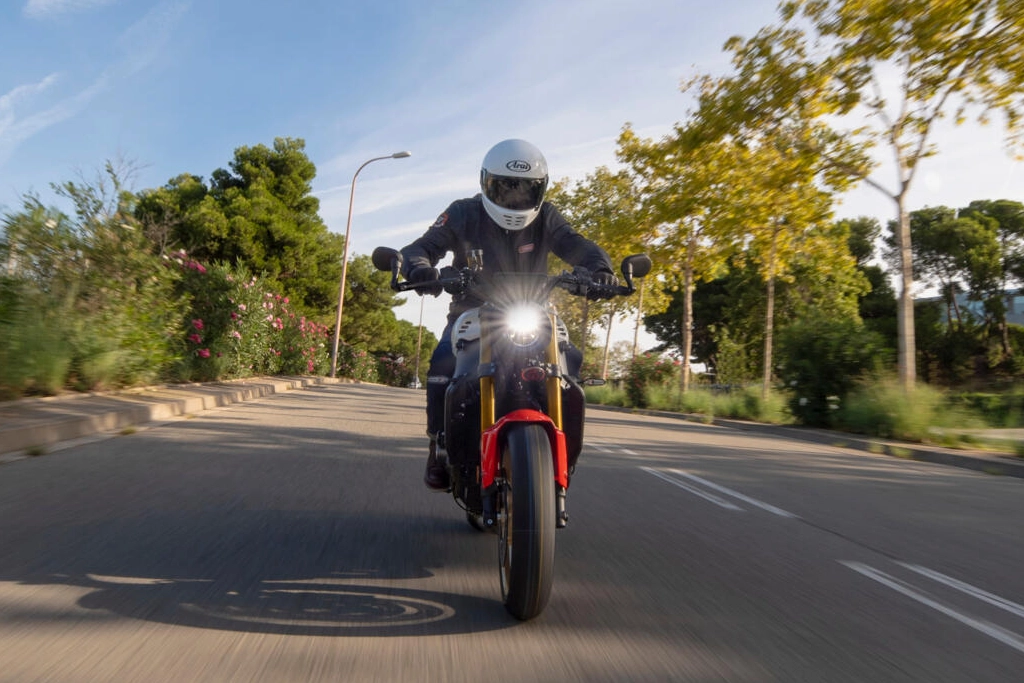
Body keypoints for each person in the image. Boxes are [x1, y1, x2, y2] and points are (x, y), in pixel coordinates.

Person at [399, 138, 618, 490]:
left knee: (571, 360)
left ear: (541, 189)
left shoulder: (547, 216)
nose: (514, 197)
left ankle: (561, 455)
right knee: (442, 362)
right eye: (505, 187)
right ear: (486, 182)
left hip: (533, 310)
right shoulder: (461, 213)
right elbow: (422, 247)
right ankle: (438, 445)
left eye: (525, 189)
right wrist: (421, 268)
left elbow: (576, 244)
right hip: (472, 311)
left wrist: (600, 269)